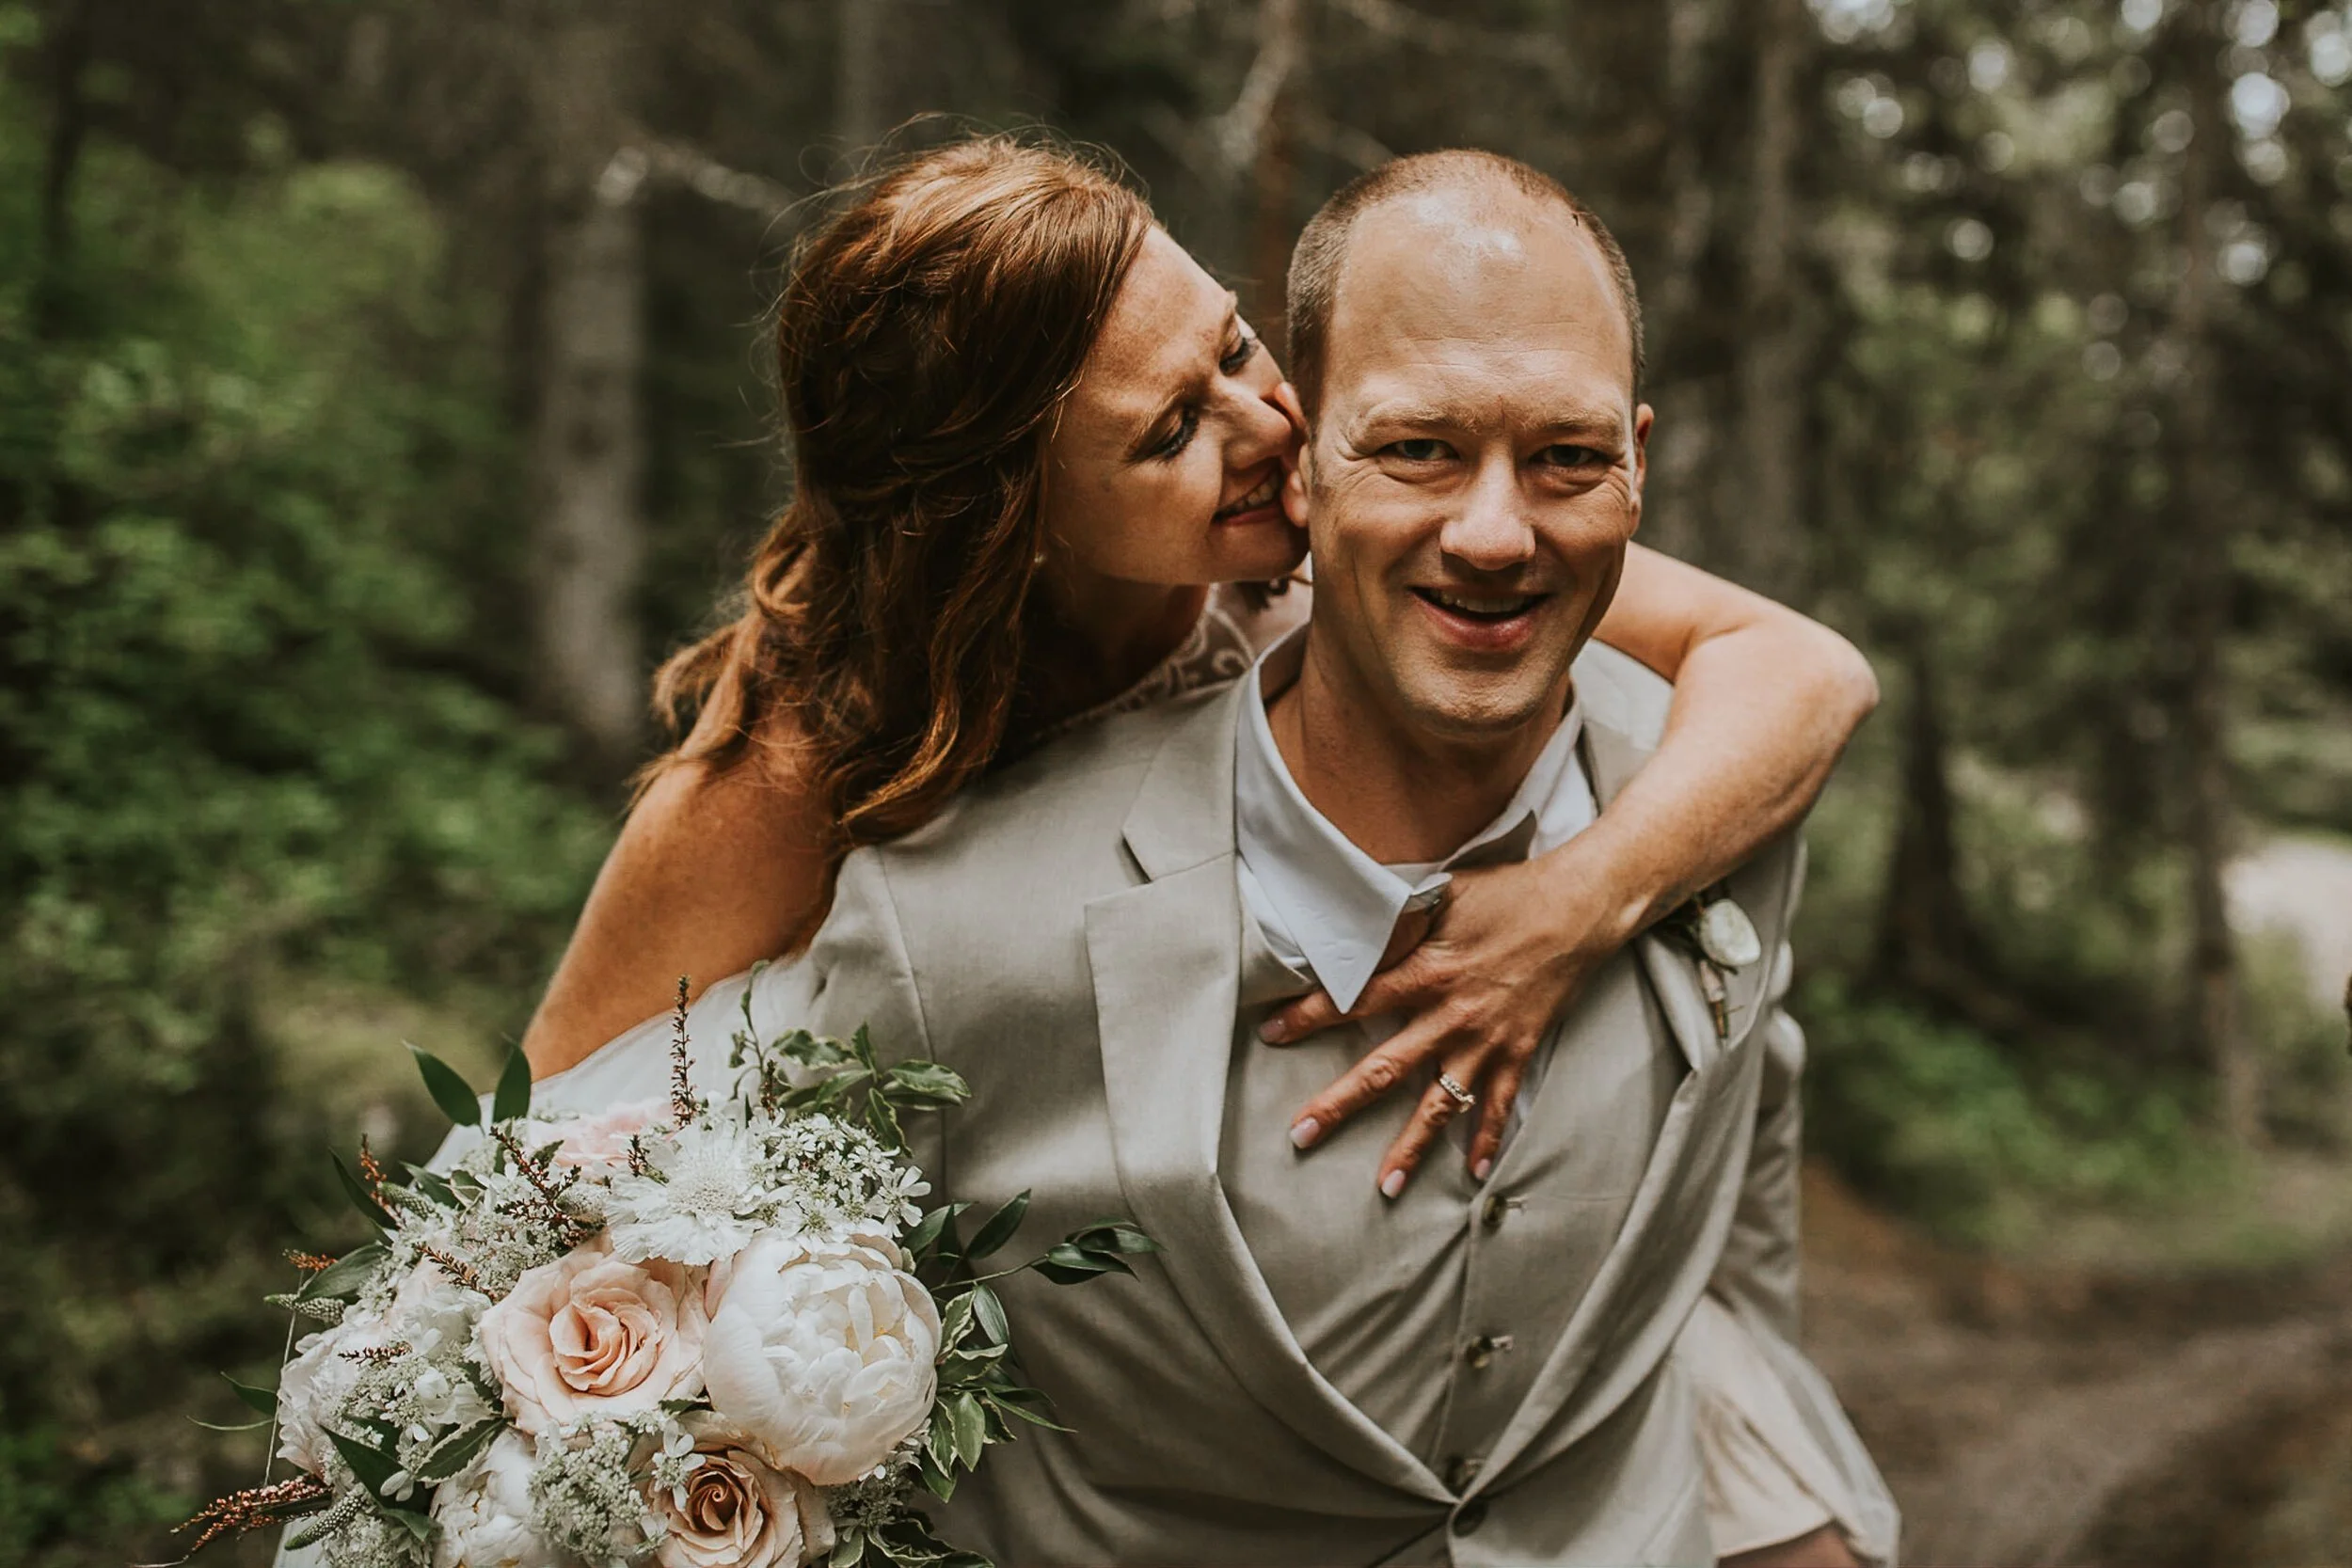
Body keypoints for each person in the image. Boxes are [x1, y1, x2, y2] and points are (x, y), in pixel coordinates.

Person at [532, 146, 1896, 1565]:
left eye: (1237, 346)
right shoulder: (806, 767)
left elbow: (1800, 669)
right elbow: (556, 1157)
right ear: (1021, 518)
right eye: (1173, 428)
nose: (1266, 426)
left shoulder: (1335, 533)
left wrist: (1574, 903)